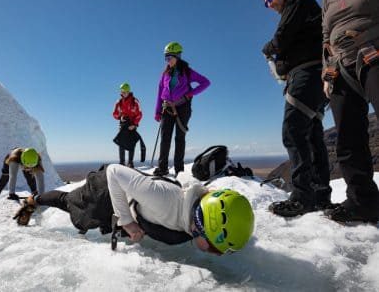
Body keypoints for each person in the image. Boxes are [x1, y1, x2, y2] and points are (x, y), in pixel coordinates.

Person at [14, 164, 254, 255]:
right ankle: (33, 201)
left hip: (124, 202)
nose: (214, 252)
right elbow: (114, 173)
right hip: (103, 193)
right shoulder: (166, 201)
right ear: (202, 226)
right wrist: (128, 221)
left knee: (80, 212)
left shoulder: (188, 218)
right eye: (214, 247)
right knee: (70, 205)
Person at [261, 0, 332, 217]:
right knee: (311, 134)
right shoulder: (303, 6)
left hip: (307, 73)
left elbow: (282, 37)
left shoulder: (298, 1)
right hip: (314, 74)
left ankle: (302, 197)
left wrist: (269, 48)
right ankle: (320, 195)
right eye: (265, 2)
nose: (269, 4)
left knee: (293, 130)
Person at [321, 0, 379, 223]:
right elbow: (325, 37)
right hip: (340, 66)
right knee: (347, 137)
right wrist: (327, 72)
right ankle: (363, 202)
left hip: (372, 49)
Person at [153, 42, 210, 177]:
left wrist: (190, 94)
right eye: (165, 58)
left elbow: (205, 82)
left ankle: (179, 170)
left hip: (183, 108)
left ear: (177, 56)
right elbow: (160, 91)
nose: (167, 60)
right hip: (167, 108)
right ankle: (163, 168)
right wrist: (157, 111)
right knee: (165, 138)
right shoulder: (165, 74)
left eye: (169, 57)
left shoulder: (187, 72)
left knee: (180, 138)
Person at [112, 82, 143, 168]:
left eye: (125, 91)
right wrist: (120, 117)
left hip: (132, 124)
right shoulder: (119, 102)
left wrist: (134, 124)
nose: (123, 93)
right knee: (121, 142)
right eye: (122, 91)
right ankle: (122, 162)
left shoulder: (134, 101)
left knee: (131, 143)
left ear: (129, 91)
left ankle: (130, 163)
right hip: (123, 124)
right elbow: (114, 113)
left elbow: (139, 114)